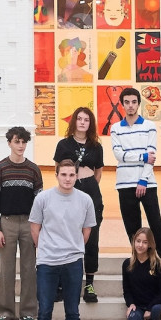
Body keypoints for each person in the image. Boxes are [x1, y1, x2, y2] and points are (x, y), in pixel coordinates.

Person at [29, 158, 96, 320]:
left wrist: (72, 249)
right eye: (63, 174)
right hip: (48, 261)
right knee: (45, 311)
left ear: (77, 176)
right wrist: (48, 250)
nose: (68, 179)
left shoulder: (85, 200)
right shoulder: (43, 198)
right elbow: (35, 229)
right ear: (56, 175)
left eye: (72, 175)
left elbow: (86, 231)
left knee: (72, 311)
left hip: (73, 261)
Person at [111, 86, 161, 283]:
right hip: (124, 184)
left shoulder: (149, 126)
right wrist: (141, 156)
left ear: (139, 104)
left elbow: (152, 158)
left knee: (156, 225)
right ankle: (139, 268)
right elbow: (118, 155)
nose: (130, 106)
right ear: (122, 105)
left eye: (134, 102)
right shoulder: (115, 128)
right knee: (133, 229)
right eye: (127, 102)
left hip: (146, 183)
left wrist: (142, 180)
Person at [0, 125, 44, 320]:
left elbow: (40, 204)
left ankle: (29, 310)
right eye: (16, 141)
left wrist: (39, 228)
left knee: (30, 268)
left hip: (29, 223)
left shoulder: (33, 170)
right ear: (9, 143)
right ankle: (5, 311)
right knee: (7, 269)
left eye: (23, 141)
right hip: (7, 223)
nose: (20, 145)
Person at [53, 106, 105, 304]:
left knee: (91, 238)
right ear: (74, 121)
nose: (83, 122)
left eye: (87, 119)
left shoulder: (96, 146)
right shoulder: (63, 144)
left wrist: (88, 185)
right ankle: (61, 283)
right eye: (80, 119)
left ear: (90, 123)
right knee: (65, 234)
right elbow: (57, 169)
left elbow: (98, 172)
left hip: (91, 192)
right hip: (68, 192)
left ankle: (89, 284)